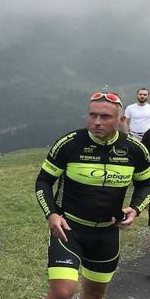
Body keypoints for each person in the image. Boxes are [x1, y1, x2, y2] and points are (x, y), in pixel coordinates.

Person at [35, 91, 150, 299]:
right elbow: (43, 181)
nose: (96, 122)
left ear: (121, 120)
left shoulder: (135, 150)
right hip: (69, 229)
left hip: (107, 234)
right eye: (92, 115)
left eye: (105, 117)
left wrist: (135, 209)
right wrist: (51, 214)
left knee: (94, 295)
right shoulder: (69, 143)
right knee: (62, 292)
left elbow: (146, 185)